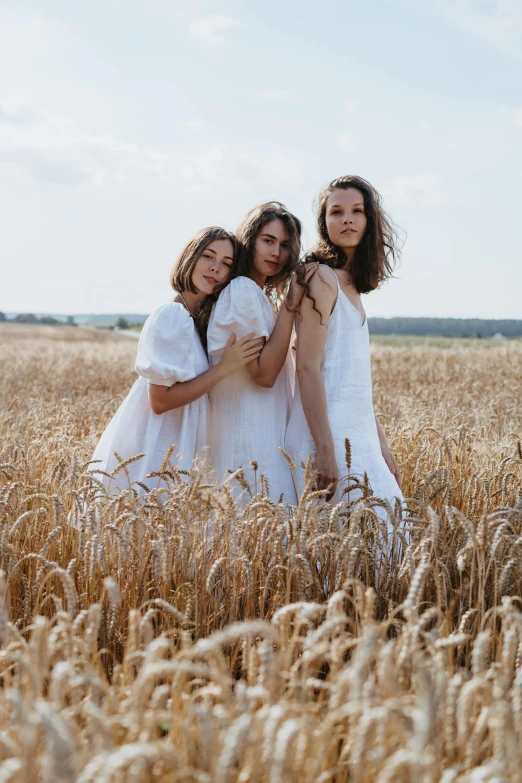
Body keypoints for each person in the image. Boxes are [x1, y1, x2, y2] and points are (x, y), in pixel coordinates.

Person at [88, 227, 262, 495]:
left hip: (180, 447)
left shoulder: (196, 320)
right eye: (208, 256)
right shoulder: (173, 316)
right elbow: (160, 400)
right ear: (190, 257)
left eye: (226, 263)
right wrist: (225, 368)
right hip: (158, 446)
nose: (216, 268)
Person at [285, 175, 403, 521]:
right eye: (336, 211)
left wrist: (380, 444)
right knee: (345, 556)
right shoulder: (320, 277)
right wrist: (324, 451)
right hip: (329, 436)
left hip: (358, 433)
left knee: (387, 544)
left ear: (369, 220)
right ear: (323, 221)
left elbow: (352, 378)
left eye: (356, 211)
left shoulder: (353, 284)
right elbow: (307, 367)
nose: (347, 219)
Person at [207, 202, 315, 504]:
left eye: (284, 245)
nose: (277, 253)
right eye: (268, 241)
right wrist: (292, 303)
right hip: (248, 439)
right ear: (249, 239)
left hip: (260, 433)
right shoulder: (242, 290)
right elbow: (265, 375)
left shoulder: (257, 296)